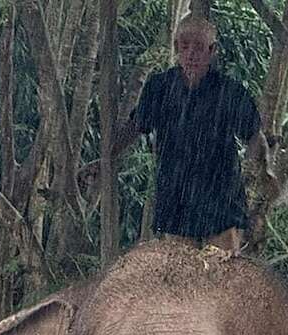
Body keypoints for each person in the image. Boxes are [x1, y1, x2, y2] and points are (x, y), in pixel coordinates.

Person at [83, 13, 272, 254]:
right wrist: (106, 159)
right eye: (185, 46)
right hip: (176, 197)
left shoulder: (230, 92)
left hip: (221, 199)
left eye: (199, 47)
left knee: (223, 276)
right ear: (176, 48)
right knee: (180, 277)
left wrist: (264, 171)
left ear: (212, 50)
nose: (192, 54)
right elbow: (135, 126)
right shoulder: (160, 87)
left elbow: (254, 137)